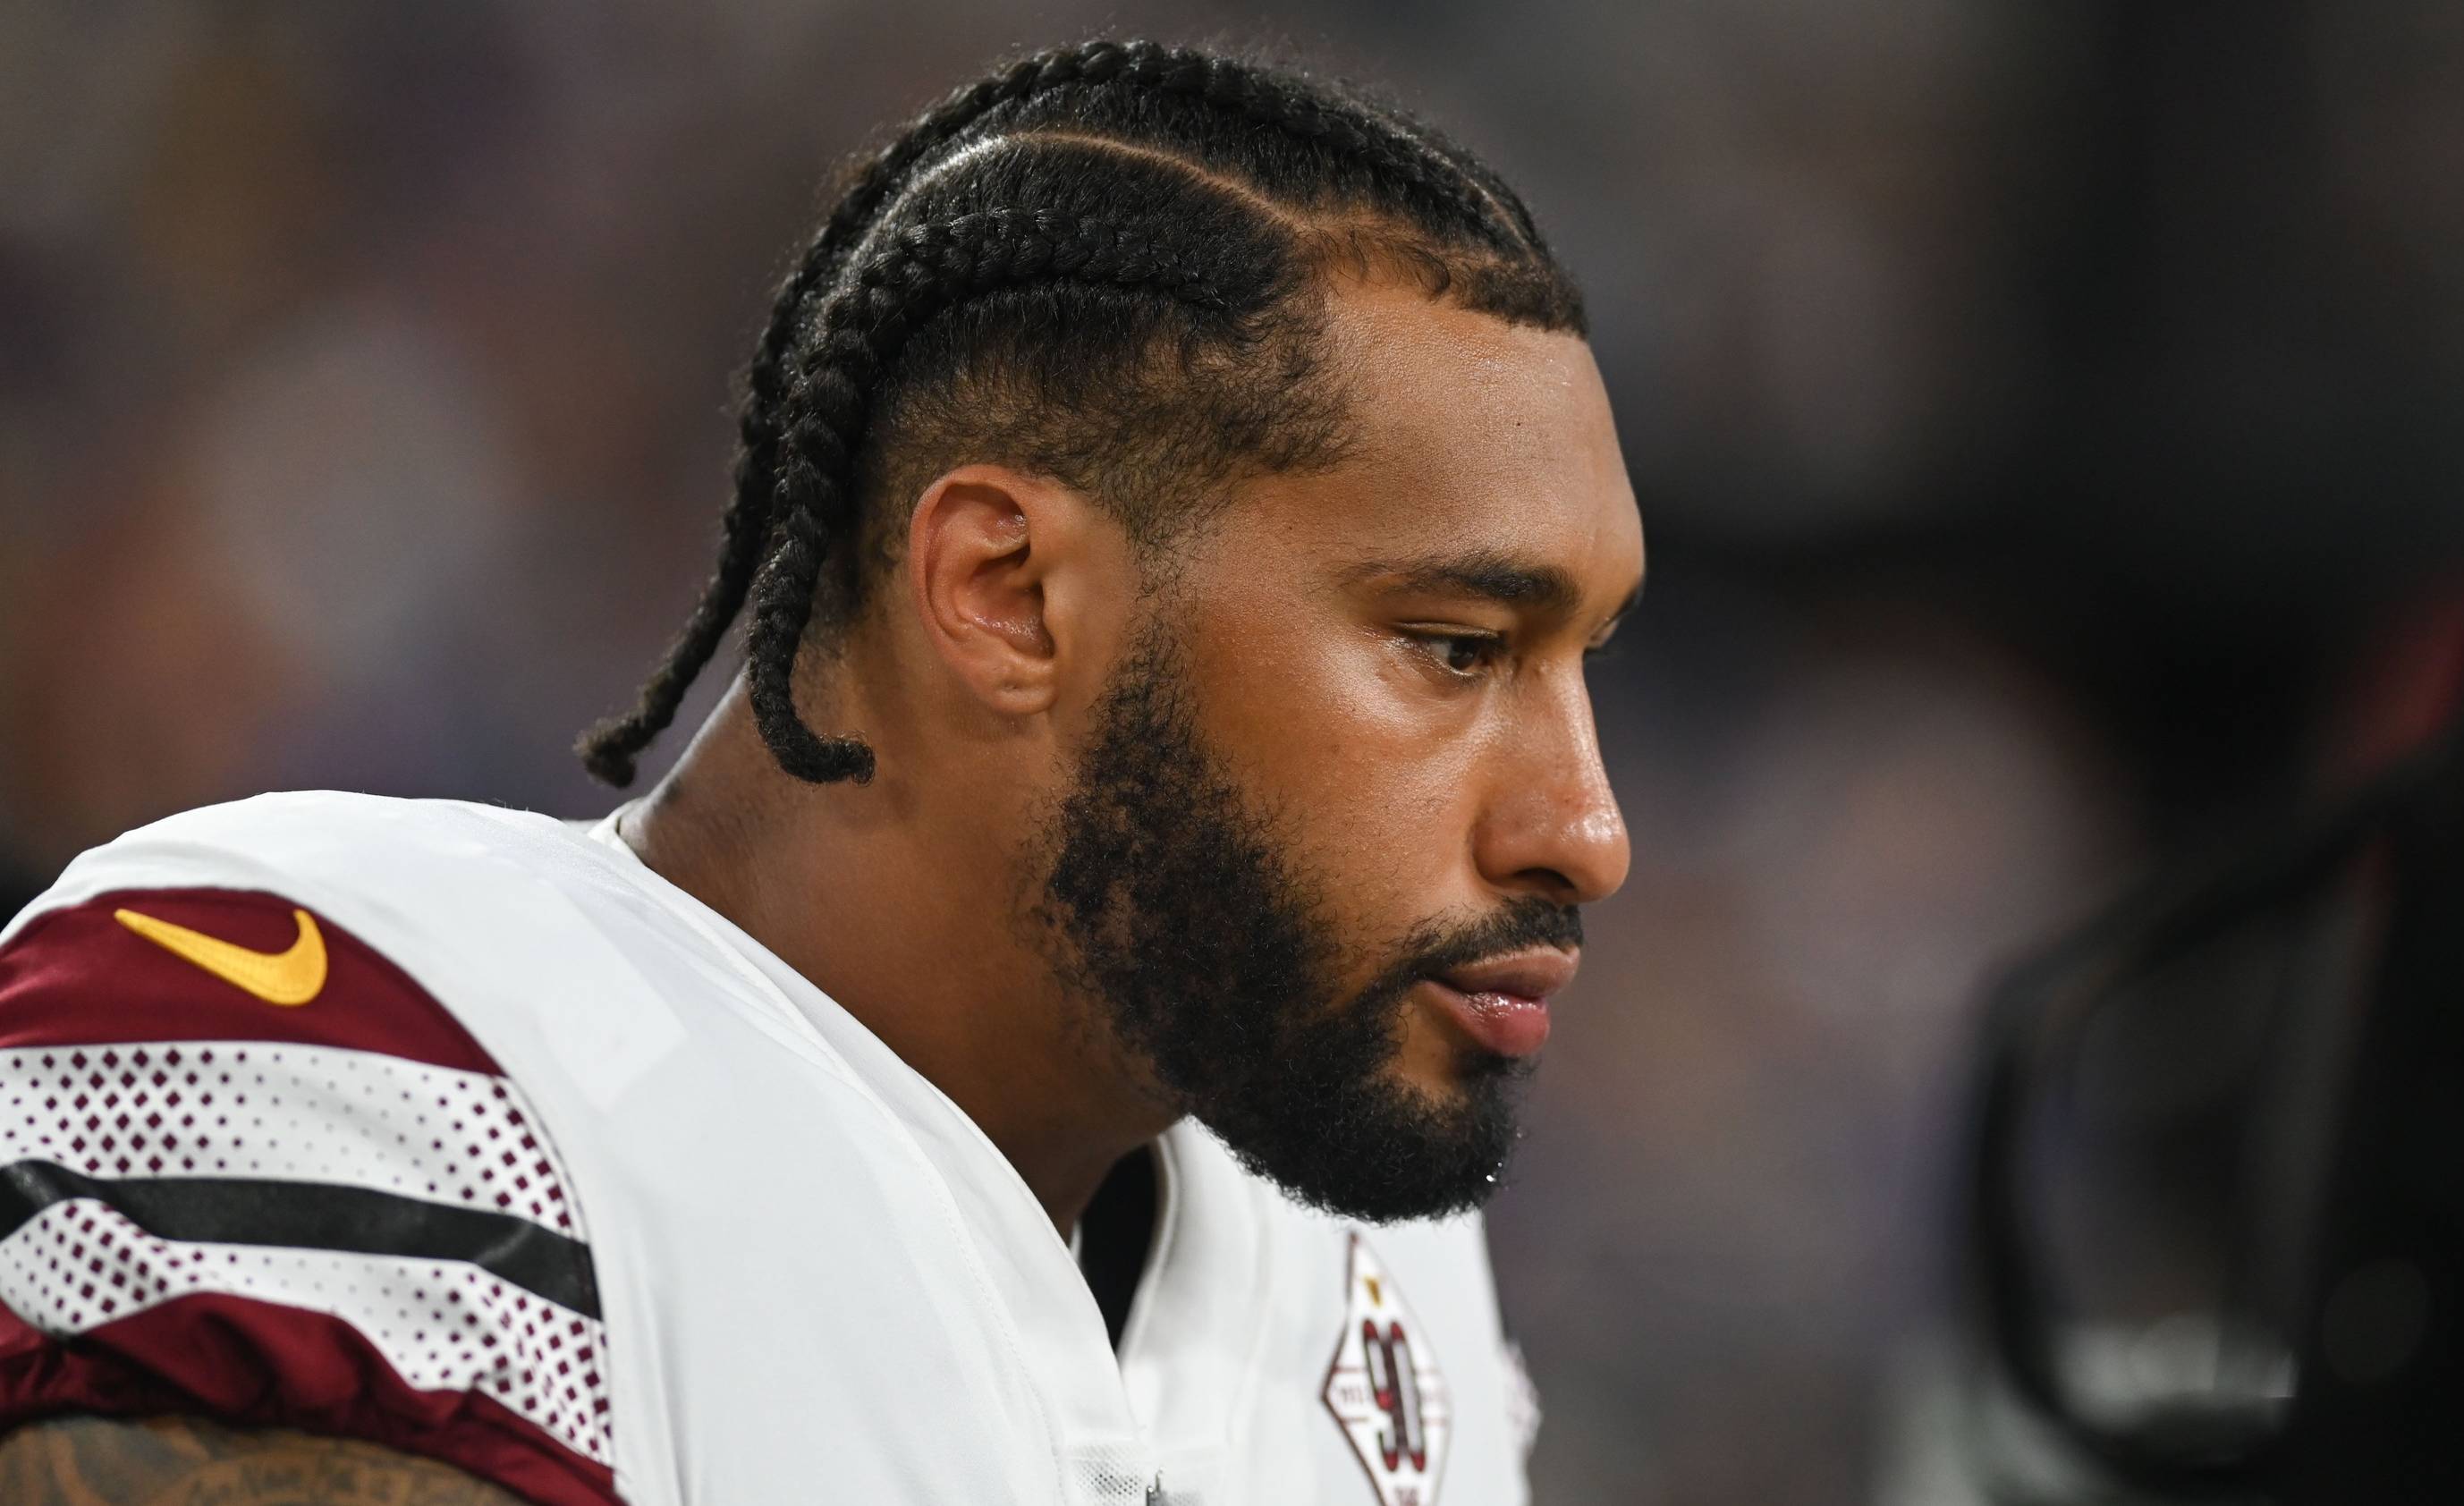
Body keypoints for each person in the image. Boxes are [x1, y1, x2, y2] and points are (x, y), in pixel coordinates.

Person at [0, 39, 1641, 1506]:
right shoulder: (383, 1076)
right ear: (1007, 594)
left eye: (1589, 662)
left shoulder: (1365, 1255)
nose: (1588, 828)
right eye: (1456, 648)